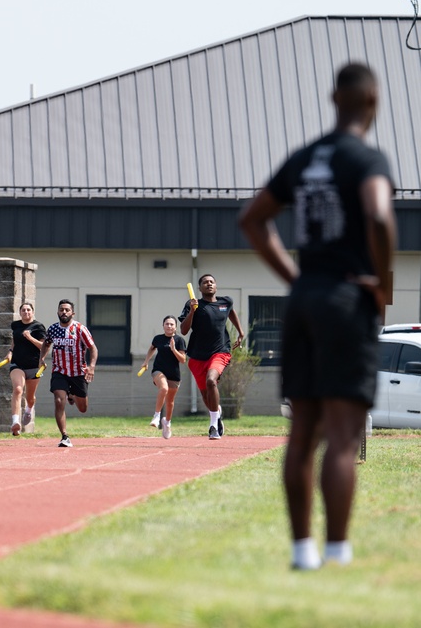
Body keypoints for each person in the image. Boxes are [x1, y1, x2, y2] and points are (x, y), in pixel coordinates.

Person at [239, 62, 397, 571]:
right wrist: (383, 285)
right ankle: (338, 549)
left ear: (335, 97)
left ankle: (302, 550)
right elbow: (378, 215)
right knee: (345, 434)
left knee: (302, 432)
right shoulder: (366, 158)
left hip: (304, 301)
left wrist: (295, 278)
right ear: (372, 103)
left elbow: (254, 219)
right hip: (347, 300)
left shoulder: (304, 158)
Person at [179, 274, 244, 440]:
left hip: (220, 351)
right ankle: (217, 413)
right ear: (199, 288)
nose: (208, 284)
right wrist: (192, 311)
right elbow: (184, 330)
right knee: (205, 396)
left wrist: (240, 331)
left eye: (211, 282)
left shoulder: (225, 302)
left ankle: (213, 425)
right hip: (197, 356)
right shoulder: (193, 304)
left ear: (216, 286)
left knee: (211, 381)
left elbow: (231, 312)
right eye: (204, 282)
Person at [39, 299, 97, 448]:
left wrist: (91, 366)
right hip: (59, 371)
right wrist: (42, 359)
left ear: (72, 313)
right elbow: (46, 344)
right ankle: (65, 436)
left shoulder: (80, 329)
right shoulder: (53, 329)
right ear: (57, 312)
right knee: (59, 400)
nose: (64, 312)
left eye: (67, 310)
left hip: (78, 372)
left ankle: (72, 395)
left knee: (83, 408)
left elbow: (93, 348)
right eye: (61, 310)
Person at [3, 302, 47, 436]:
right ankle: (15, 422)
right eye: (23, 310)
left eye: (28, 310)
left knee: (30, 397)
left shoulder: (38, 326)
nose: (26, 312)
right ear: (20, 312)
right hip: (17, 364)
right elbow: (15, 340)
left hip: (34, 365)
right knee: (17, 389)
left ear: (32, 312)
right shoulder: (15, 325)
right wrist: (10, 351)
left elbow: (43, 346)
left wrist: (30, 337)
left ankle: (29, 409)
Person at [140, 316, 186, 439]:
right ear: (163, 325)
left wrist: (174, 349)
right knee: (164, 389)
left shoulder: (179, 340)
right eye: (167, 324)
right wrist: (146, 361)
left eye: (171, 324)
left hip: (174, 375)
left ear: (175, 327)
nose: (169, 326)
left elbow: (183, 360)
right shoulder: (158, 339)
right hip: (158, 370)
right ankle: (156, 416)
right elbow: (152, 348)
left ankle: (167, 422)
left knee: (170, 402)